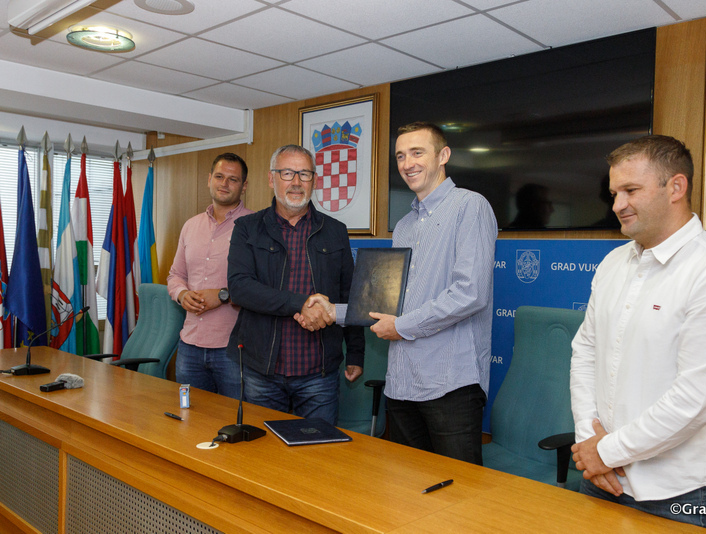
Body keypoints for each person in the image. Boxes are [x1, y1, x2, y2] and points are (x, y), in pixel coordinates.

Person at [570, 135, 706, 530]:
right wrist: (590, 443)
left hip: (678, 491)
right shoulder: (612, 263)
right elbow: (586, 352)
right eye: (614, 193)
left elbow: (695, 398)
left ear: (676, 187)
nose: (617, 205)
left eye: (631, 190)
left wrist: (606, 451)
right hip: (602, 475)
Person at [301, 122, 497, 464]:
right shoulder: (404, 226)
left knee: (460, 492)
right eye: (400, 156)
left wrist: (402, 327)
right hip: (403, 382)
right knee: (406, 488)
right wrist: (334, 311)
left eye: (417, 152)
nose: (407, 163)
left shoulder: (470, 206)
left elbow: (470, 293)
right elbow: (388, 303)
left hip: (450, 384)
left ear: (443, 155)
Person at [226, 144, 364, 426]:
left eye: (305, 174)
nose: (297, 182)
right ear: (271, 178)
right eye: (287, 173)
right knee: (264, 448)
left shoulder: (335, 231)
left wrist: (356, 352)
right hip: (262, 370)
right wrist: (299, 303)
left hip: (318, 373)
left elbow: (349, 294)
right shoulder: (247, 228)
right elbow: (239, 287)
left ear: (315, 180)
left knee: (318, 449)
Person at [167, 152, 253, 398]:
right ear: (209, 179)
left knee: (235, 418)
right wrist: (182, 294)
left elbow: (263, 287)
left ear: (244, 186)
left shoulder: (256, 227)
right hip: (189, 346)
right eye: (219, 176)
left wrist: (224, 296)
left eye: (233, 179)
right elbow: (175, 275)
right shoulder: (191, 226)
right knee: (190, 416)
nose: (224, 184)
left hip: (234, 349)